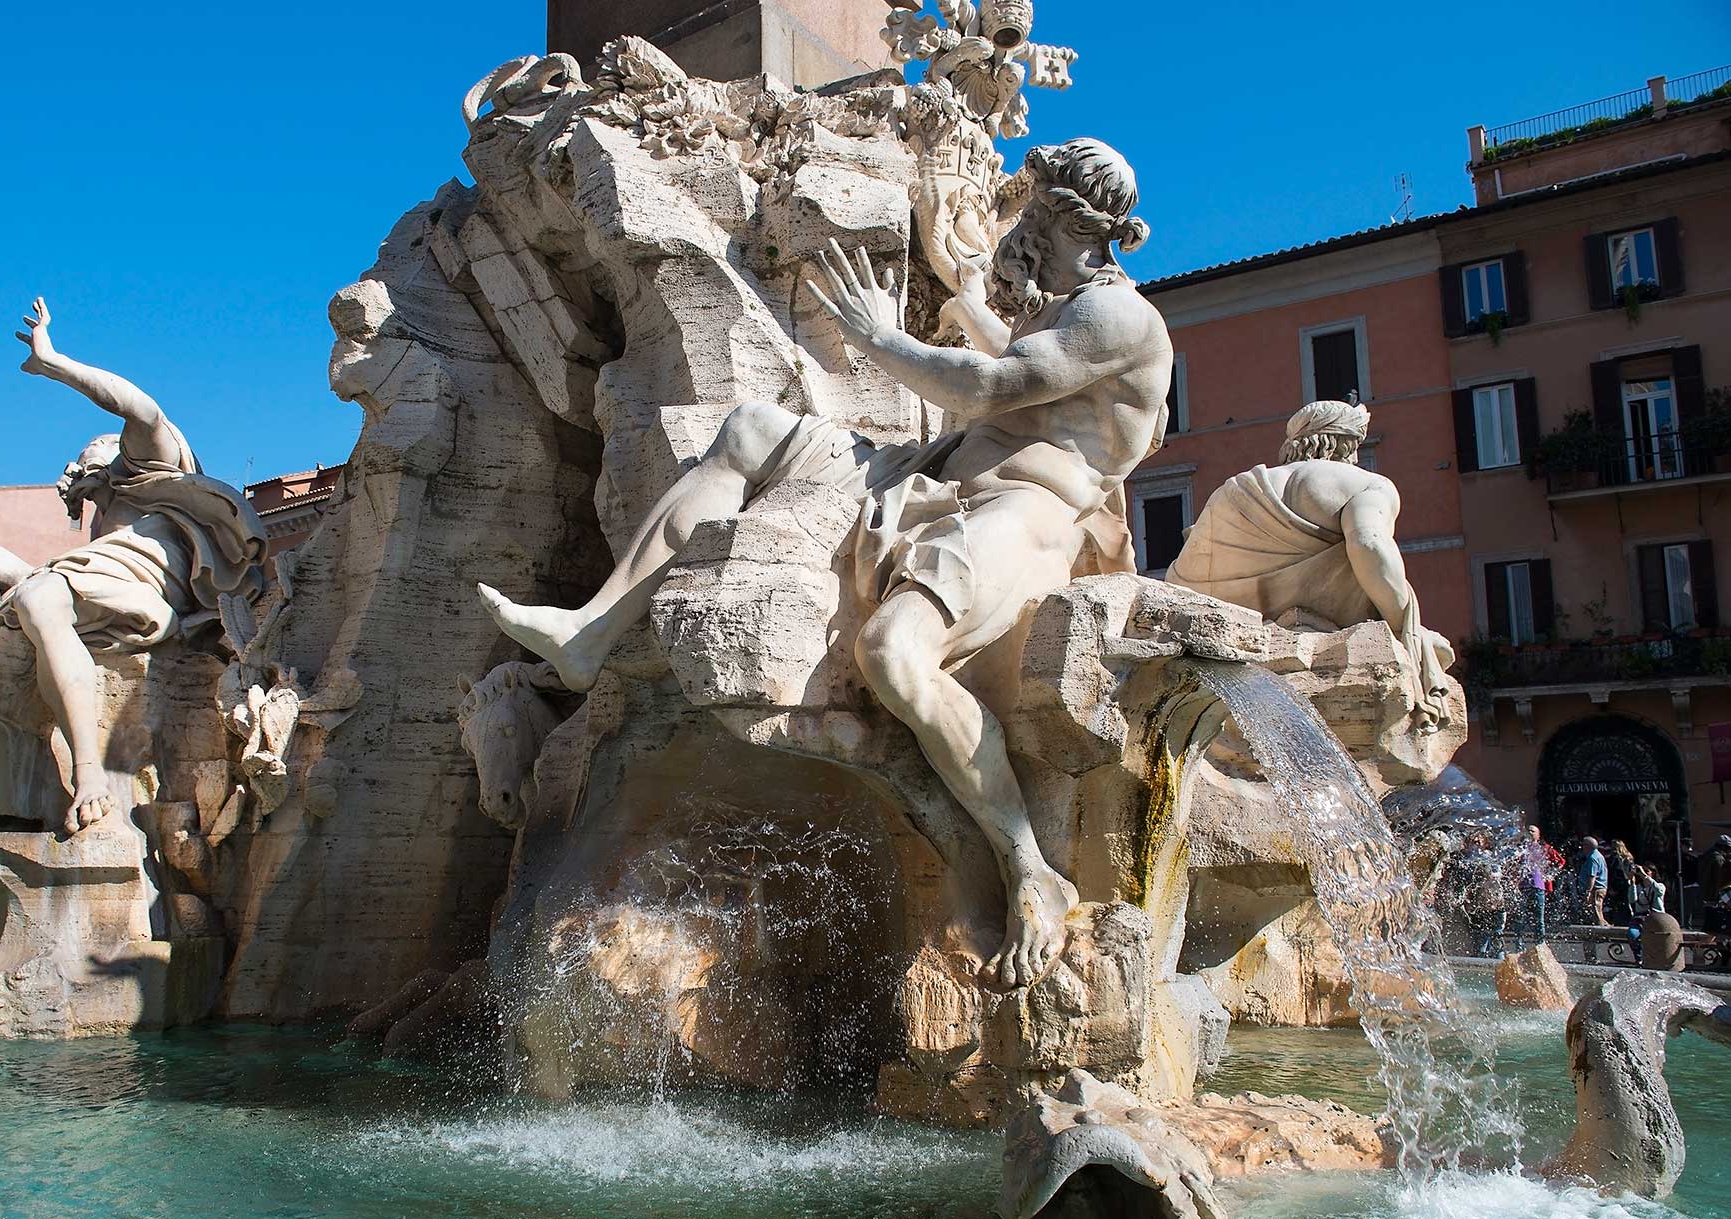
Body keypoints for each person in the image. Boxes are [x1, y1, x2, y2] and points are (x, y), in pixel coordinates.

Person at [477, 139, 1173, 990]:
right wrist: (959, 308)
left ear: (1073, 219)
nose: (1019, 219)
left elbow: (994, 389)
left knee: (893, 654)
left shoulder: (1118, 318)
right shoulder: (1062, 308)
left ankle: (1028, 864)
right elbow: (1012, 359)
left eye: (1035, 206)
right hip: (931, 474)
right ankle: (591, 632)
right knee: (747, 432)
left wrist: (880, 337)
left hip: (1025, 513)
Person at [0, 299, 268, 835]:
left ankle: (89, 775)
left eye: (88, 456)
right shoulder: (102, 523)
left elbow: (142, 409)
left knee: (41, 595)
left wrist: (52, 362)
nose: (76, 466)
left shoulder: (150, 474)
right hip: (82, 584)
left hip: (146, 602)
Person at [1164, 400, 1454, 728]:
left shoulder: (1234, 489)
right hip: (1309, 636)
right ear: (1344, 444)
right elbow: (1370, 544)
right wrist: (1405, 626)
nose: (1356, 457)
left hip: (1218, 637)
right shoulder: (1366, 484)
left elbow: (1182, 578)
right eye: (1355, 446)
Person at [1520, 825, 1559, 942]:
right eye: (1528, 830)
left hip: (1538, 886)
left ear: (1538, 835)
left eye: (1533, 831)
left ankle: (1540, 944)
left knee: (1539, 919)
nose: (1530, 832)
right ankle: (1519, 946)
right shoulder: (1521, 848)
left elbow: (1560, 861)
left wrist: (1549, 875)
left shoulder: (1544, 848)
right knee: (1521, 917)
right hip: (1523, 887)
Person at [1574, 836, 1610, 926]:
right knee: (1597, 912)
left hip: (1596, 889)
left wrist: (1588, 891)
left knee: (1596, 913)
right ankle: (1603, 928)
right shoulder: (1598, 856)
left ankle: (1600, 933)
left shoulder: (1593, 858)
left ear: (1588, 846)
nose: (1582, 847)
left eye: (1583, 845)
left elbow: (1592, 876)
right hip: (1599, 888)